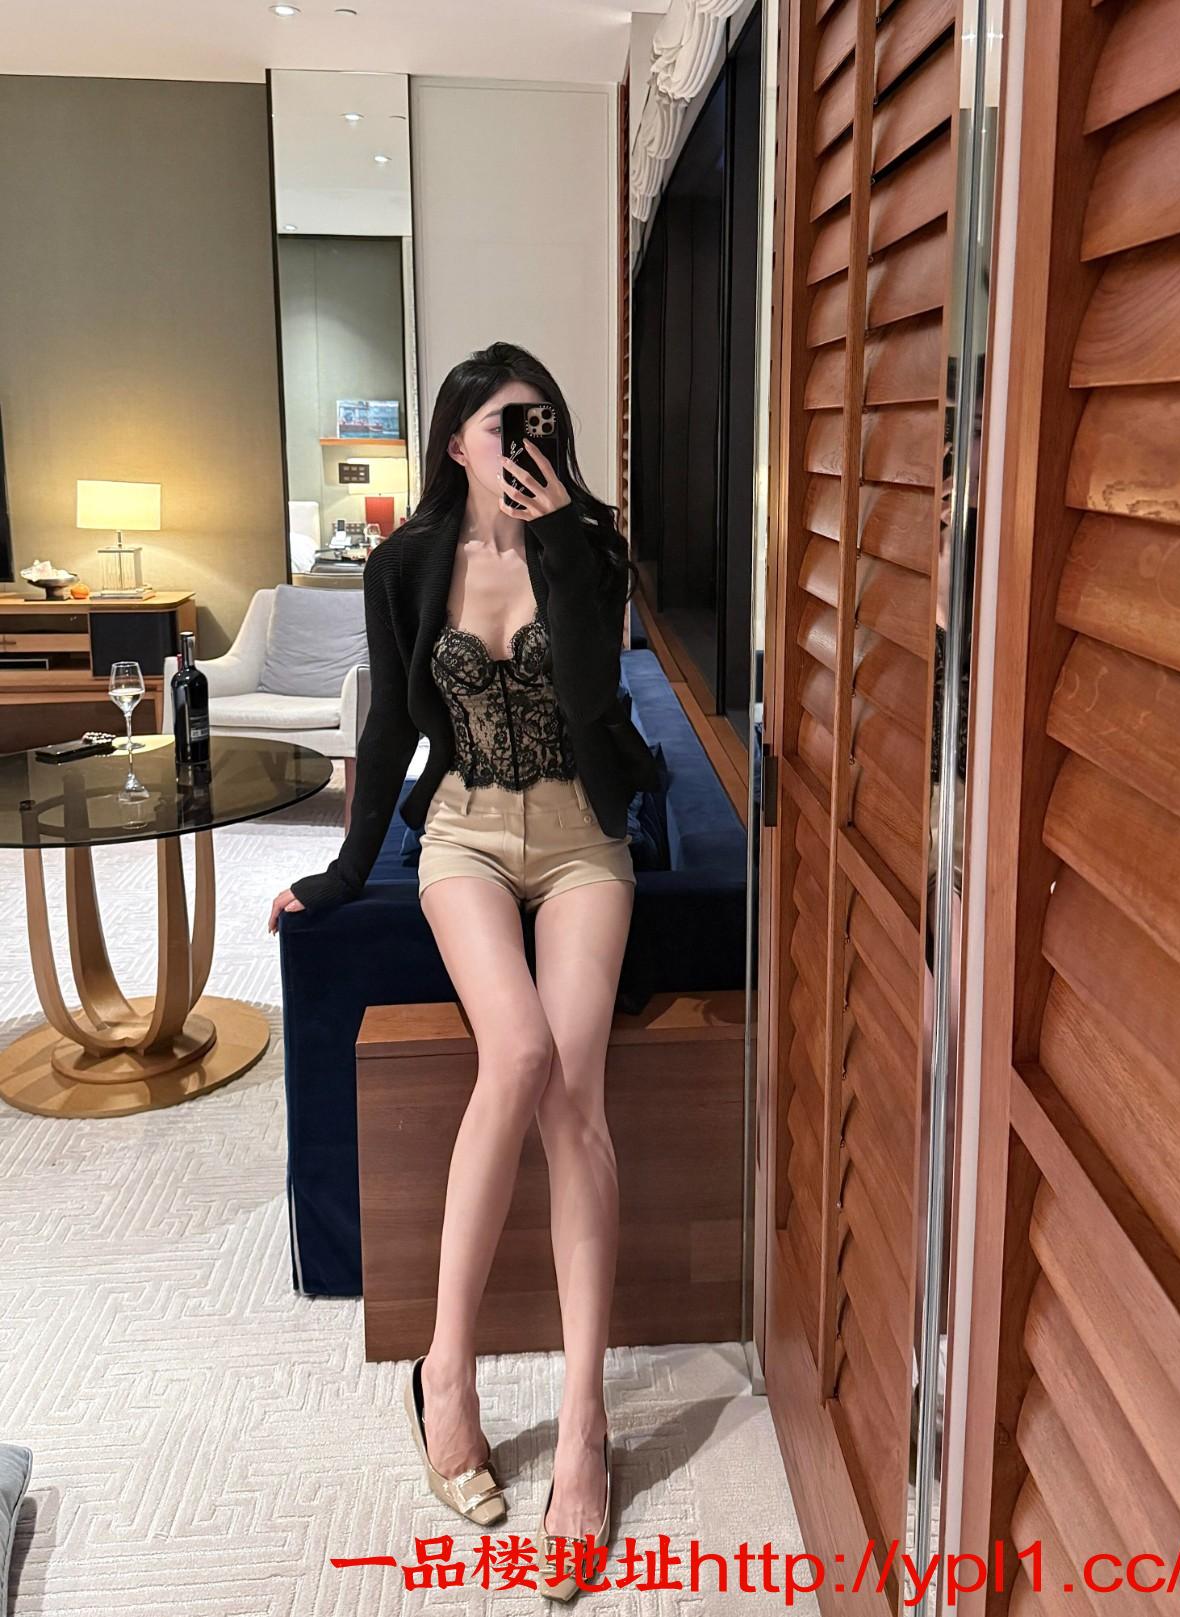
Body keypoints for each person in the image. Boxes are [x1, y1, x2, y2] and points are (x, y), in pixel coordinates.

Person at [269, 340, 661, 1598]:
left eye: (543, 420)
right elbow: (392, 724)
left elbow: (594, 700)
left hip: (584, 835)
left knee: (577, 1091)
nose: (527, 441)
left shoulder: (588, 546)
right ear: (456, 441)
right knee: (523, 1050)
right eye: (504, 424)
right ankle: (448, 1370)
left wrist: (561, 548)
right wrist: (343, 874)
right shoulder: (405, 564)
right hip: (466, 835)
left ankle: (585, 1426)